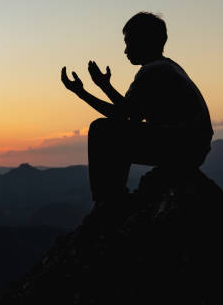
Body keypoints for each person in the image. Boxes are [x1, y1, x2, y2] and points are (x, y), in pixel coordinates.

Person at [60, 12, 213, 208]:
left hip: (180, 147)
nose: (125, 50)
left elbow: (123, 115)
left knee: (102, 130)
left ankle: (107, 200)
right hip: (190, 147)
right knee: (114, 131)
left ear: (144, 40)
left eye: (128, 42)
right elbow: (133, 112)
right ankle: (112, 197)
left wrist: (81, 93)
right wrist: (104, 86)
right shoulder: (166, 67)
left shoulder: (153, 71)